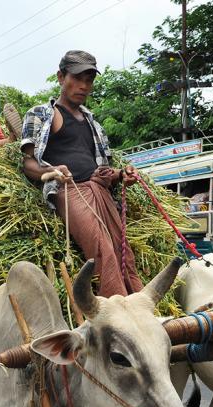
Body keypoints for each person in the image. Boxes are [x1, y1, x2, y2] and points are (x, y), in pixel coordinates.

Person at [19, 50, 142, 298]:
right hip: (69, 189)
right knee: (102, 250)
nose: (83, 86)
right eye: (77, 78)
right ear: (60, 77)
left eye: (89, 80)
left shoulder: (92, 123)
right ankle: (117, 315)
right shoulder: (43, 114)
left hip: (99, 188)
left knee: (123, 252)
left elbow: (100, 169)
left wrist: (121, 174)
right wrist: (52, 171)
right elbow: (28, 164)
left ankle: (141, 306)